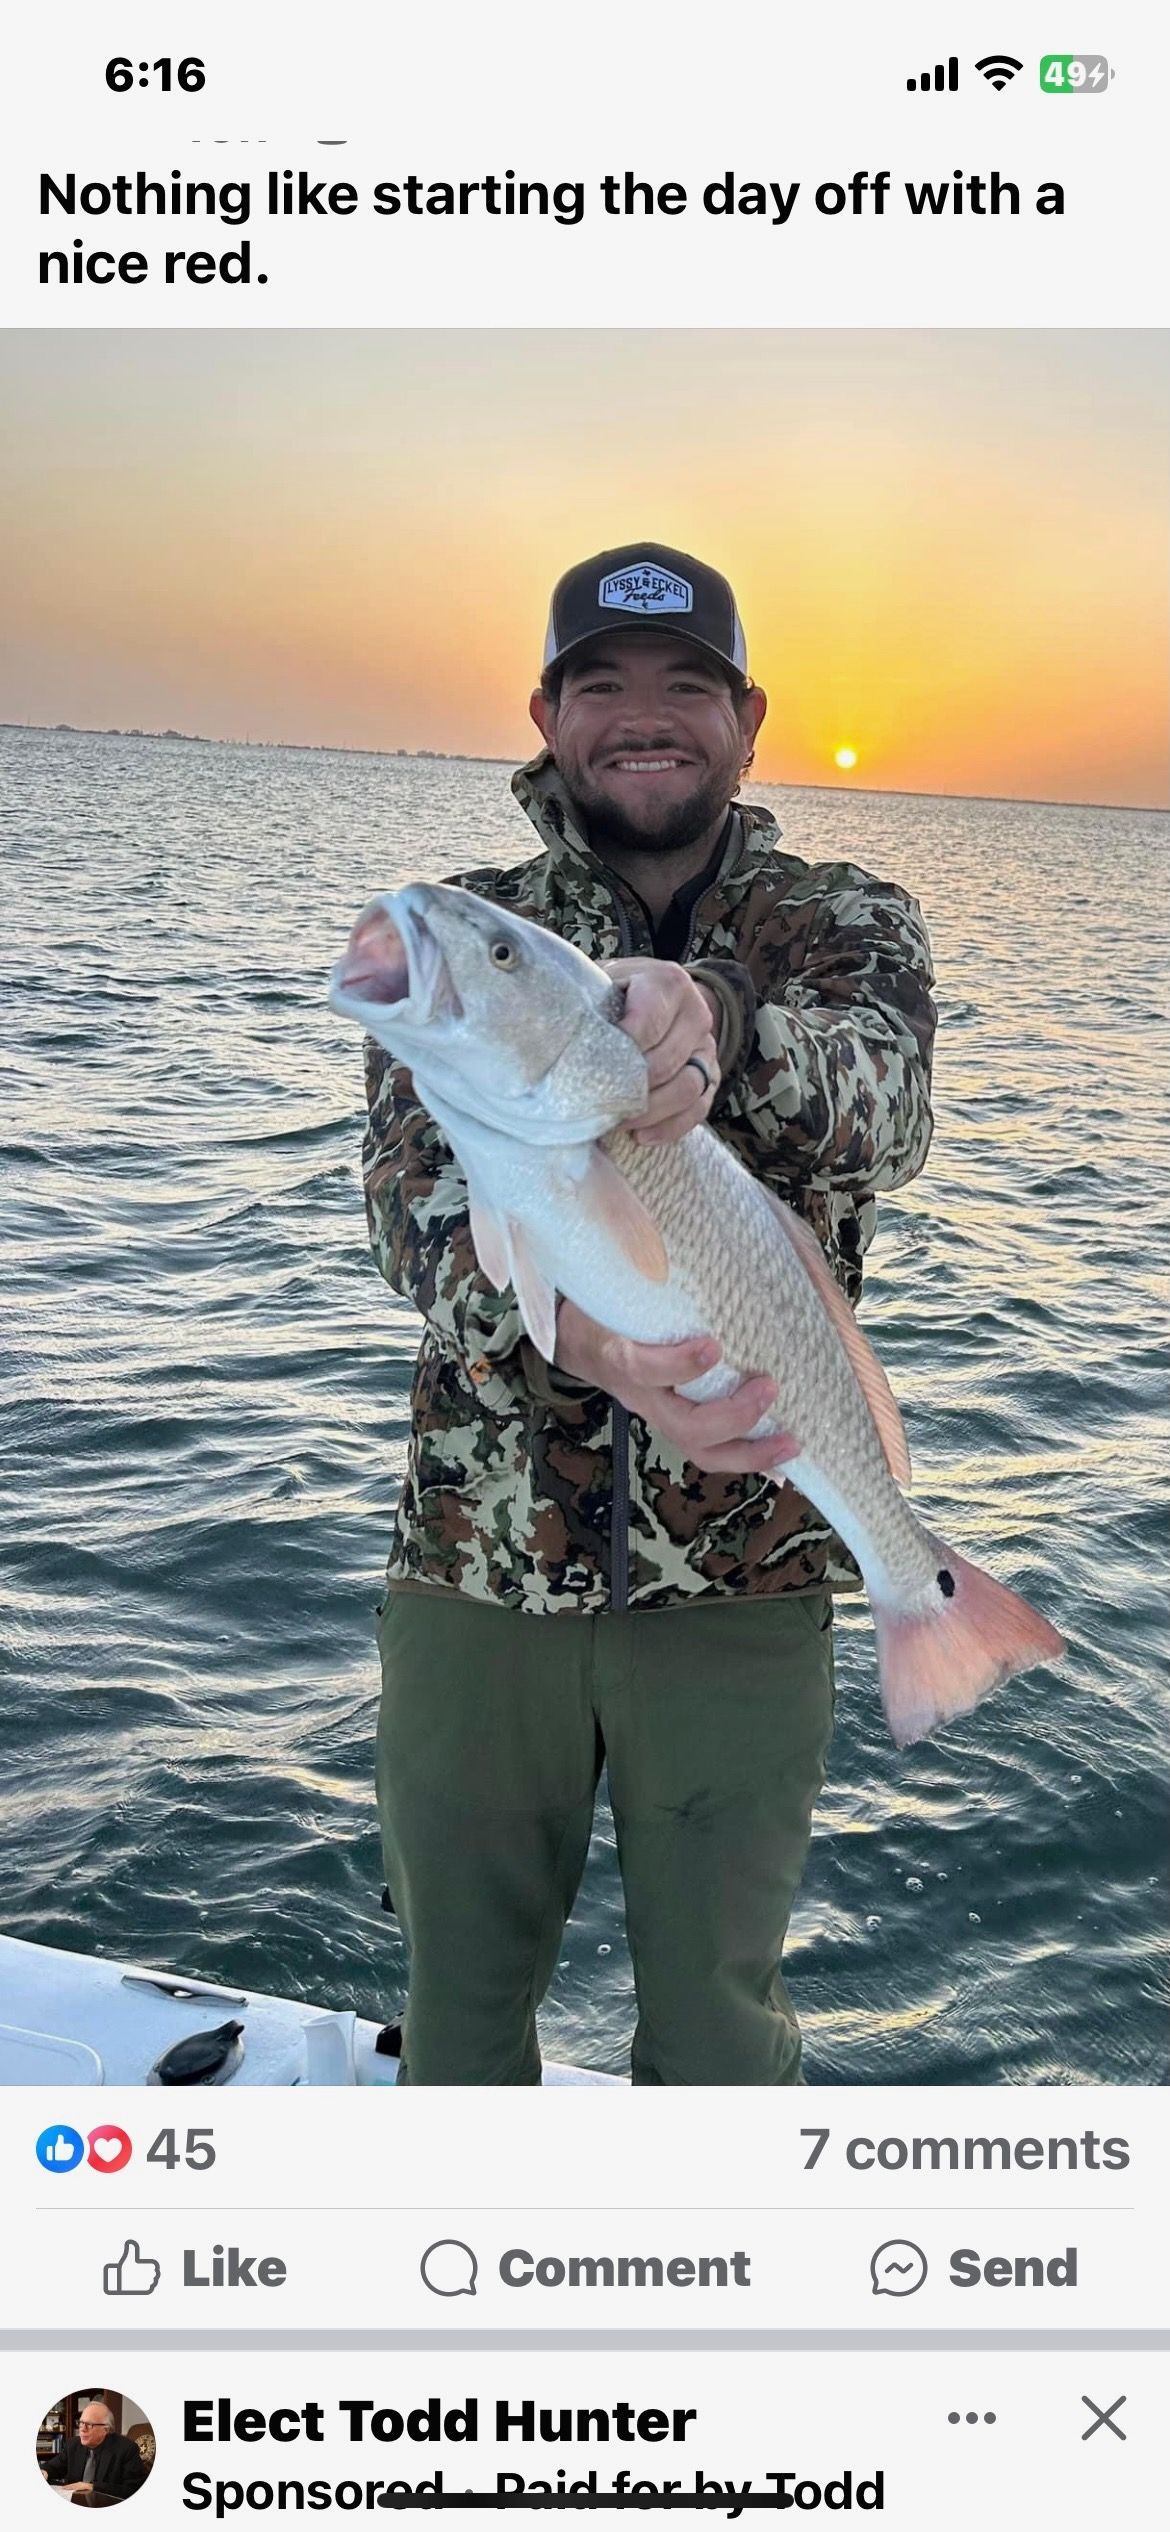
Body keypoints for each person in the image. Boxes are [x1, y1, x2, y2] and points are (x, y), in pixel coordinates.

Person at [361, 543, 936, 2085]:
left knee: (718, 2030)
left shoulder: (846, 921)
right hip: (476, 1569)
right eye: (601, 685)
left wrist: (721, 1032)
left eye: (685, 688)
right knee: (462, 2011)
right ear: (546, 713)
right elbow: (409, 1215)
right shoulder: (474, 938)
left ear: (748, 719)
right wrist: (587, 1343)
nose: (643, 718)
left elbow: (884, 1109)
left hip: (747, 1576)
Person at [41, 2401, 147, 2502]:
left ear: (106, 2429)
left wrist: (92, 2487)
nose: (82, 2429)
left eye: (89, 2424)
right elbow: (54, 2467)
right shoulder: (73, 2445)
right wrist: (45, 2472)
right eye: (81, 2423)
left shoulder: (127, 2449)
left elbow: (133, 2489)